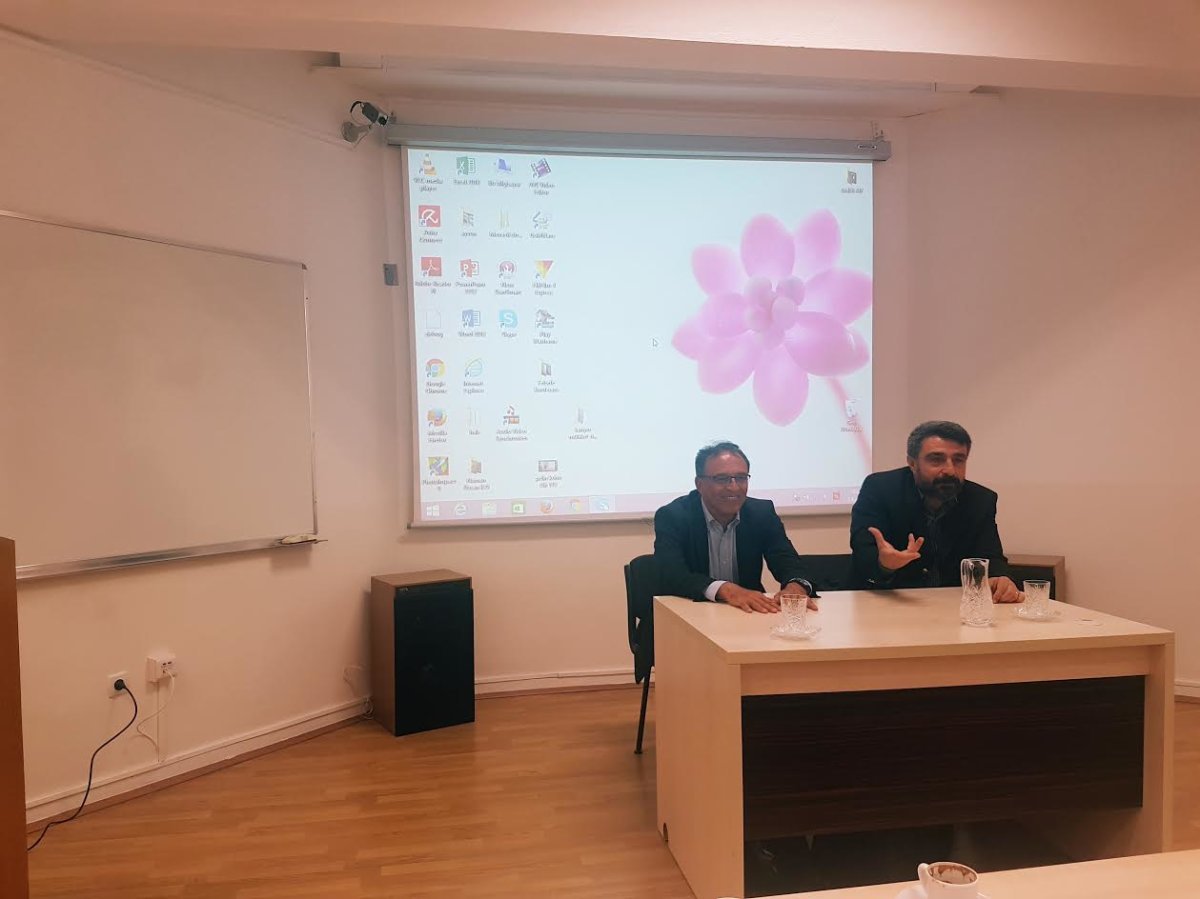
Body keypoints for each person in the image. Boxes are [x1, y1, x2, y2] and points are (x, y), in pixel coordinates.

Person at [849, 420, 1021, 602]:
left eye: (958, 460)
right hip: (888, 602)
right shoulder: (880, 489)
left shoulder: (980, 499)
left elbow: (991, 556)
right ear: (912, 463)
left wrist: (1000, 578)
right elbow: (864, 553)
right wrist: (885, 564)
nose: (950, 470)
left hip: (952, 605)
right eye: (936, 459)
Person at [654, 441, 816, 613]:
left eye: (741, 478)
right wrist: (724, 589)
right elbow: (672, 576)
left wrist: (796, 586)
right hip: (690, 613)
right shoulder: (674, 516)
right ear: (699, 484)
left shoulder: (761, 513)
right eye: (722, 479)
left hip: (746, 615)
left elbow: (788, 561)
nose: (733, 487)